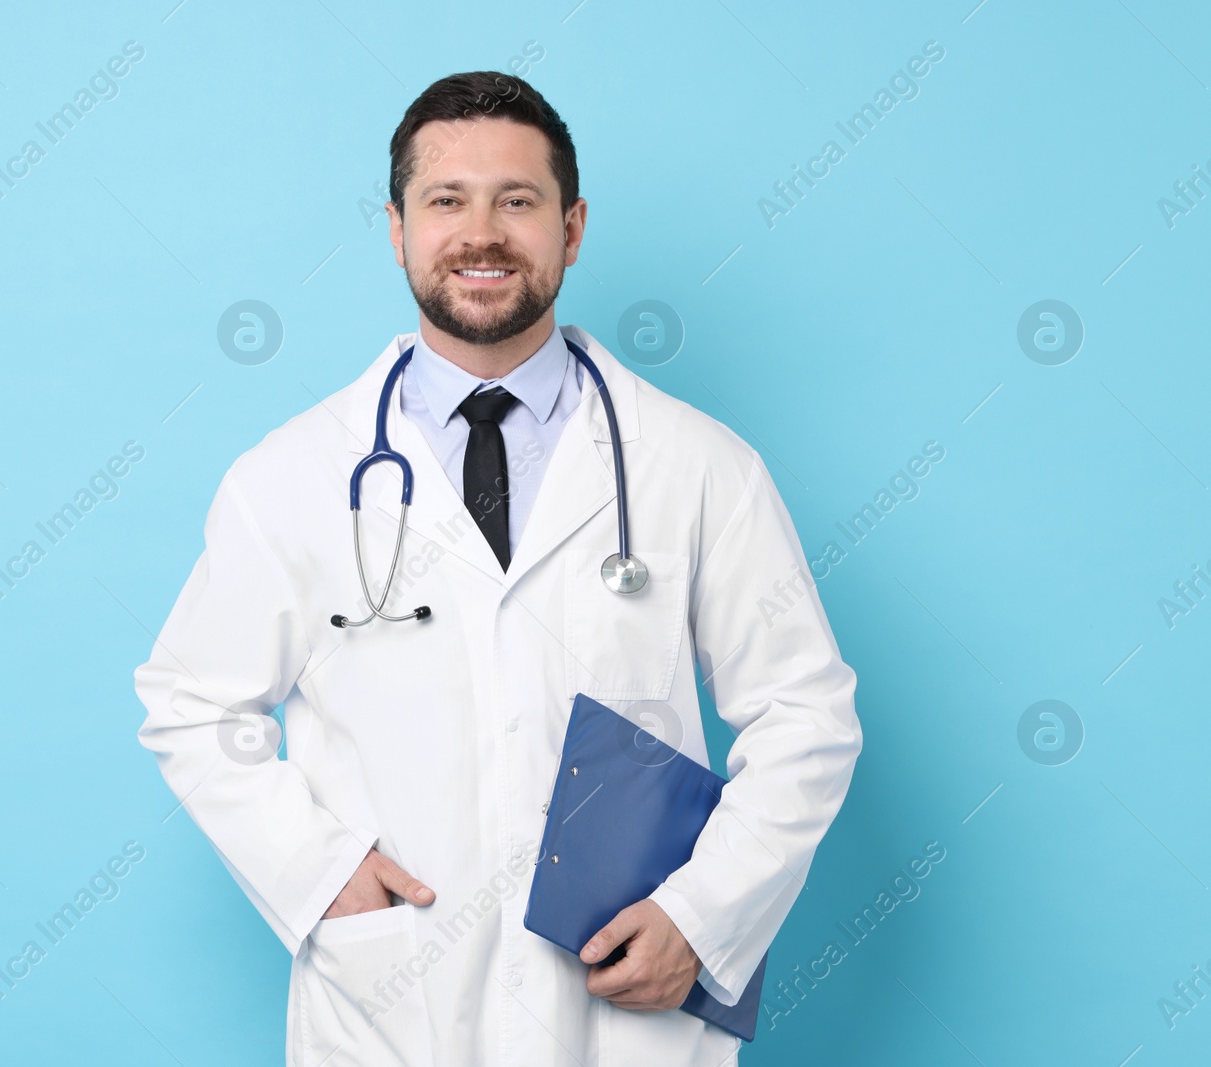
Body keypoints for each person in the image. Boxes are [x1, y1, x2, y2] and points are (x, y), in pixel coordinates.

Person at [134, 70, 862, 1067]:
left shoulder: (698, 466)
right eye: (446, 201)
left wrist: (701, 916)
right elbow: (187, 701)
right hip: (394, 1004)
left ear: (572, 228)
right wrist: (320, 873)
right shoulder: (291, 476)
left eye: (516, 201)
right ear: (396, 228)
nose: (480, 233)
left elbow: (805, 716)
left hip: (623, 1016)